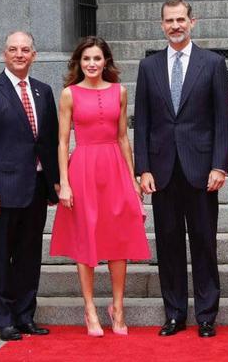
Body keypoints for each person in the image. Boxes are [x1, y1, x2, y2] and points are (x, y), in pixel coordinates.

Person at [134, 0, 228, 338]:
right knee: (169, 243)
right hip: (162, 171)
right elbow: (142, 121)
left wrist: (220, 165)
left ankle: (206, 315)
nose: (175, 26)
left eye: (180, 19)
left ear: (193, 22)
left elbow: (223, 119)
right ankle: (174, 313)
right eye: (169, 21)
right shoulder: (149, 67)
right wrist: (142, 168)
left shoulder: (213, 63)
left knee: (204, 242)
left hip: (201, 169)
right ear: (162, 25)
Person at [49, 36, 150, 337]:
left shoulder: (120, 91)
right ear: (79, 63)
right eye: (86, 59)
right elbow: (63, 141)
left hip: (114, 167)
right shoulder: (69, 94)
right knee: (86, 237)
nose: (92, 64)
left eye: (97, 58)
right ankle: (90, 308)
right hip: (83, 169)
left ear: (106, 61)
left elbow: (122, 137)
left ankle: (117, 307)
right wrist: (64, 183)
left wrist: (132, 178)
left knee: (118, 239)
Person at [0, 31, 59, 341]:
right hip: (1, 191)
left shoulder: (44, 92)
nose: (19, 54)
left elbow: (48, 141)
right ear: (4, 54)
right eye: (12, 49)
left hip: (35, 189)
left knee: (29, 256)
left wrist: (54, 183)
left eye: (25, 50)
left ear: (35, 54)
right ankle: (4, 320)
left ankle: (24, 316)